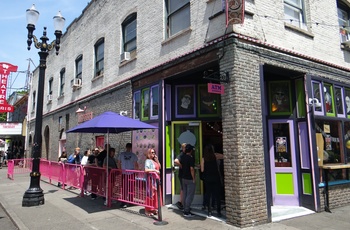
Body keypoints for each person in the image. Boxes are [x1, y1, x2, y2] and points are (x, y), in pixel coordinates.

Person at [201, 144, 223, 217]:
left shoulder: (203, 159)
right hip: (216, 177)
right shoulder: (216, 156)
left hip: (207, 178)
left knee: (208, 194)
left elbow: (202, 169)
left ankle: (209, 211)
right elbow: (224, 156)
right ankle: (219, 211)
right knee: (217, 195)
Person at [117, 143, 139, 208]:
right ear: (131, 147)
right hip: (131, 172)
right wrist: (136, 171)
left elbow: (118, 163)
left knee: (124, 187)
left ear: (126, 147)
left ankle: (123, 201)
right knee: (131, 187)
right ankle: (130, 200)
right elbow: (136, 164)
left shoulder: (121, 154)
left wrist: (120, 170)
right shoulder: (133, 155)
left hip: (124, 172)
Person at [144, 148, 161, 216]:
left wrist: (157, 160)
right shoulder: (148, 161)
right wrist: (155, 171)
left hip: (156, 180)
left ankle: (153, 208)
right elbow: (146, 169)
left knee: (155, 195)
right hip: (151, 180)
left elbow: (159, 167)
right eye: (152, 152)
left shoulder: (154, 160)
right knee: (150, 195)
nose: (153, 153)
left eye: (154, 152)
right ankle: (147, 210)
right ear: (149, 153)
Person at [181, 144, 196, 218]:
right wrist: (193, 178)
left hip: (183, 178)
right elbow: (192, 169)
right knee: (189, 195)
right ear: (190, 150)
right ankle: (187, 211)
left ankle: (185, 209)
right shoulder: (191, 158)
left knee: (185, 194)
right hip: (189, 178)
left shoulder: (183, 157)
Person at [173, 143, 186, 210]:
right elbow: (175, 161)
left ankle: (182, 202)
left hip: (183, 174)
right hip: (182, 174)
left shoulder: (185, 155)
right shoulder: (181, 155)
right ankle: (181, 202)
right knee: (183, 188)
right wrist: (181, 165)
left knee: (183, 188)